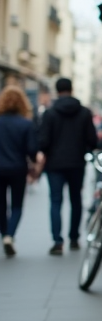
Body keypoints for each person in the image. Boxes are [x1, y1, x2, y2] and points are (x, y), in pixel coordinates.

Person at [39, 78, 97, 255]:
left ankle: (57, 241)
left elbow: (43, 142)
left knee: (55, 201)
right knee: (76, 200)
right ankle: (74, 238)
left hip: (55, 165)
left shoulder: (49, 114)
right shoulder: (85, 113)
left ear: (57, 91)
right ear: (71, 90)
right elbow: (92, 141)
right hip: (76, 163)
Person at [0, 86, 38, 257]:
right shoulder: (26, 124)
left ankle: (4, 234)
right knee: (16, 205)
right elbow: (31, 150)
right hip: (17, 168)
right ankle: (10, 235)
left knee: (1, 205)